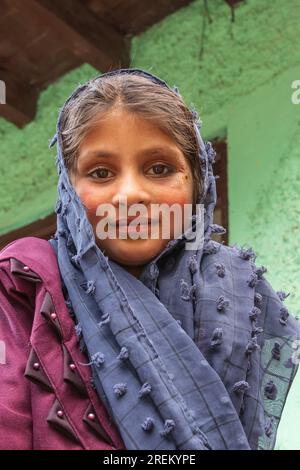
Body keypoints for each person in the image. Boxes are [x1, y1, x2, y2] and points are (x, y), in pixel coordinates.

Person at [0, 68, 299, 450]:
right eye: (101, 172)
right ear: (69, 190)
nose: (130, 195)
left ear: (198, 182)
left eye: (159, 168)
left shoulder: (240, 294)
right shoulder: (23, 286)